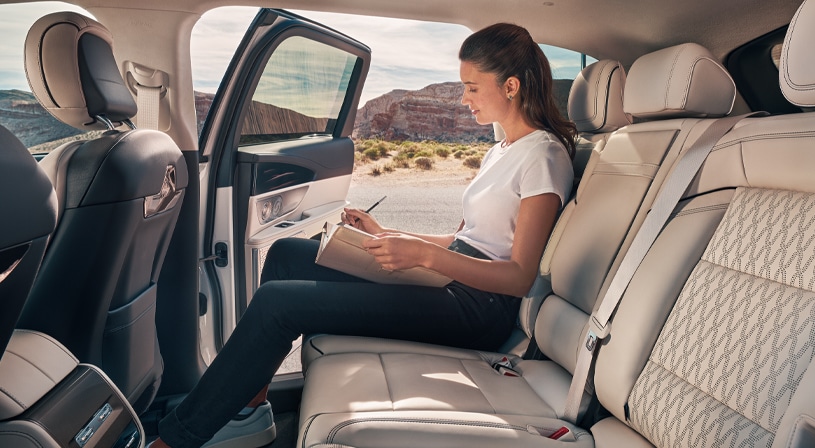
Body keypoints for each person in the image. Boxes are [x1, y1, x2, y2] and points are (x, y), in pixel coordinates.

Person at [150, 22, 576, 448]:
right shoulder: (501, 150)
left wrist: (423, 257)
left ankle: (174, 441)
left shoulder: (543, 155)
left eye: (471, 88)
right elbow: (464, 240)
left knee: (278, 304)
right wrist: (387, 233)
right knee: (286, 254)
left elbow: (518, 276)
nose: (463, 99)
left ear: (510, 86)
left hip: (479, 309)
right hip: (452, 279)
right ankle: (248, 407)